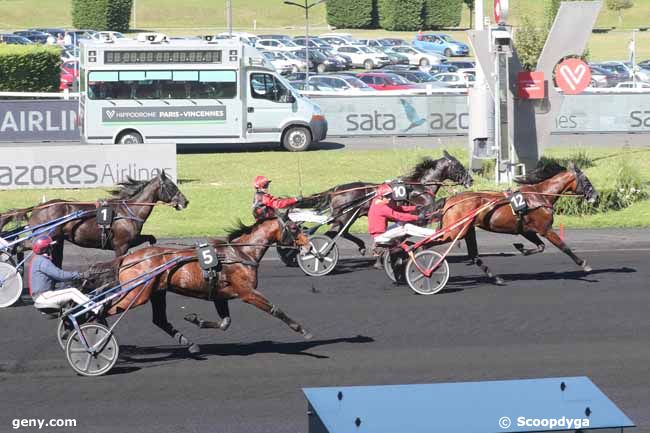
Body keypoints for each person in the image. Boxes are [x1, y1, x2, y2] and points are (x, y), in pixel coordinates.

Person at [29, 236, 99, 315]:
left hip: (43, 295)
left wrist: (75, 277)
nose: (52, 248)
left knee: (69, 287)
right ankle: (96, 308)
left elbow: (57, 277)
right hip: (43, 297)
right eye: (50, 246)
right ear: (45, 249)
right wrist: (80, 275)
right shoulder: (42, 261)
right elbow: (60, 275)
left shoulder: (39, 259)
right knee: (72, 292)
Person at [368, 183, 434, 268]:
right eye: (387, 196)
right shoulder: (382, 208)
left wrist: (414, 208)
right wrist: (417, 217)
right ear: (381, 197)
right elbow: (398, 215)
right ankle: (432, 233)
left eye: (390, 195)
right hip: (381, 236)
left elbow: (397, 208)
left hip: (380, 232)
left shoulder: (377, 202)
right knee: (405, 227)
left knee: (401, 224)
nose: (390, 198)